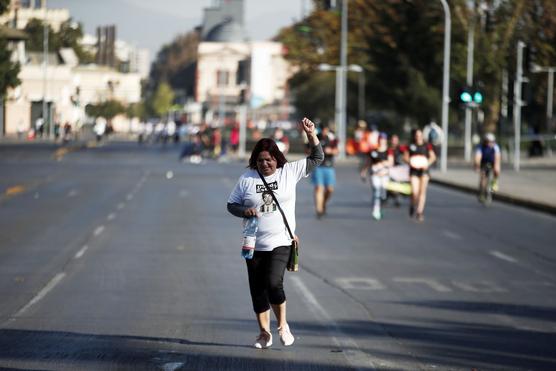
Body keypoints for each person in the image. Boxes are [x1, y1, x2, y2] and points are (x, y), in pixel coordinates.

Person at [227, 117, 323, 349]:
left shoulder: (288, 172)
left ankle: (282, 326)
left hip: (281, 240)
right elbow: (231, 205)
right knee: (257, 290)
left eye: (268, 160)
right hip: (253, 242)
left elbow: (317, 157)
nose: (265, 164)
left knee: (273, 284)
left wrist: (311, 134)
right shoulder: (246, 179)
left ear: (276, 159)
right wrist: (245, 210)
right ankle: (263, 333)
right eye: (260, 161)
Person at [403, 128, 436, 222]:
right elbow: (405, 157)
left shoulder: (427, 146)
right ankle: (412, 204)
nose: (418, 137)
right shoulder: (410, 146)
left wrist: (426, 164)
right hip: (414, 171)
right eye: (416, 135)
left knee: (422, 192)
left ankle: (419, 212)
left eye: (420, 135)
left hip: (424, 171)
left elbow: (433, 157)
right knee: (415, 192)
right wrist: (412, 162)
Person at [361, 133, 393, 220]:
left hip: (384, 174)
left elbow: (390, 162)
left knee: (383, 194)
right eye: (380, 139)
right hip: (375, 174)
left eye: (383, 139)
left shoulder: (388, 151)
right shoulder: (373, 151)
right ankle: (376, 211)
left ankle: (381, 207)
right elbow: (368, 162)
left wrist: (382, 163)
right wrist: (363, 172)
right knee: (376, 192)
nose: (382, 141)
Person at [312, 125, 339, 218]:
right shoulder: (315, 138)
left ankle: (323, 203)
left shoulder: (332, 139)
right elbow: (308, 150)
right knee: (319, 188)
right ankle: (319, 209)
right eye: (323, 130)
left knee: (330, 189)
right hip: (318, 166)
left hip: (329, 166)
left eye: (326, 130)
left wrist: (330, 151)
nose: (325, 132)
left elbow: (336, 151)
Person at [474, 133, 501, 202]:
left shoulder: (495, 147)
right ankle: (482, 193)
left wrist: (496, 167)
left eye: (491, 142)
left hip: (493, 162)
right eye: (488, 141)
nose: (490, 143)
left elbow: (497, 157)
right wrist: (477, 166)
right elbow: (478, 157)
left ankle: (494, 184)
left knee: (496, 172)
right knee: (483, 176)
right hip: (484, 162)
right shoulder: (480, 147)